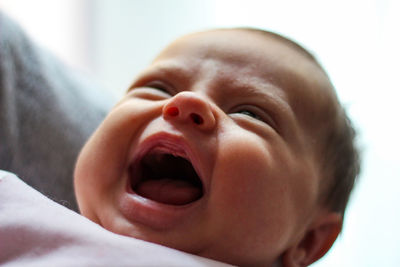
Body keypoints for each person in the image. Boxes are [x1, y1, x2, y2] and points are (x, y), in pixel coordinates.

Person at [74, 28, 360, 266]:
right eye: (159, 88)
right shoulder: (33, 218)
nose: (186, 101)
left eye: (250, 114)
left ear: (308, 240)